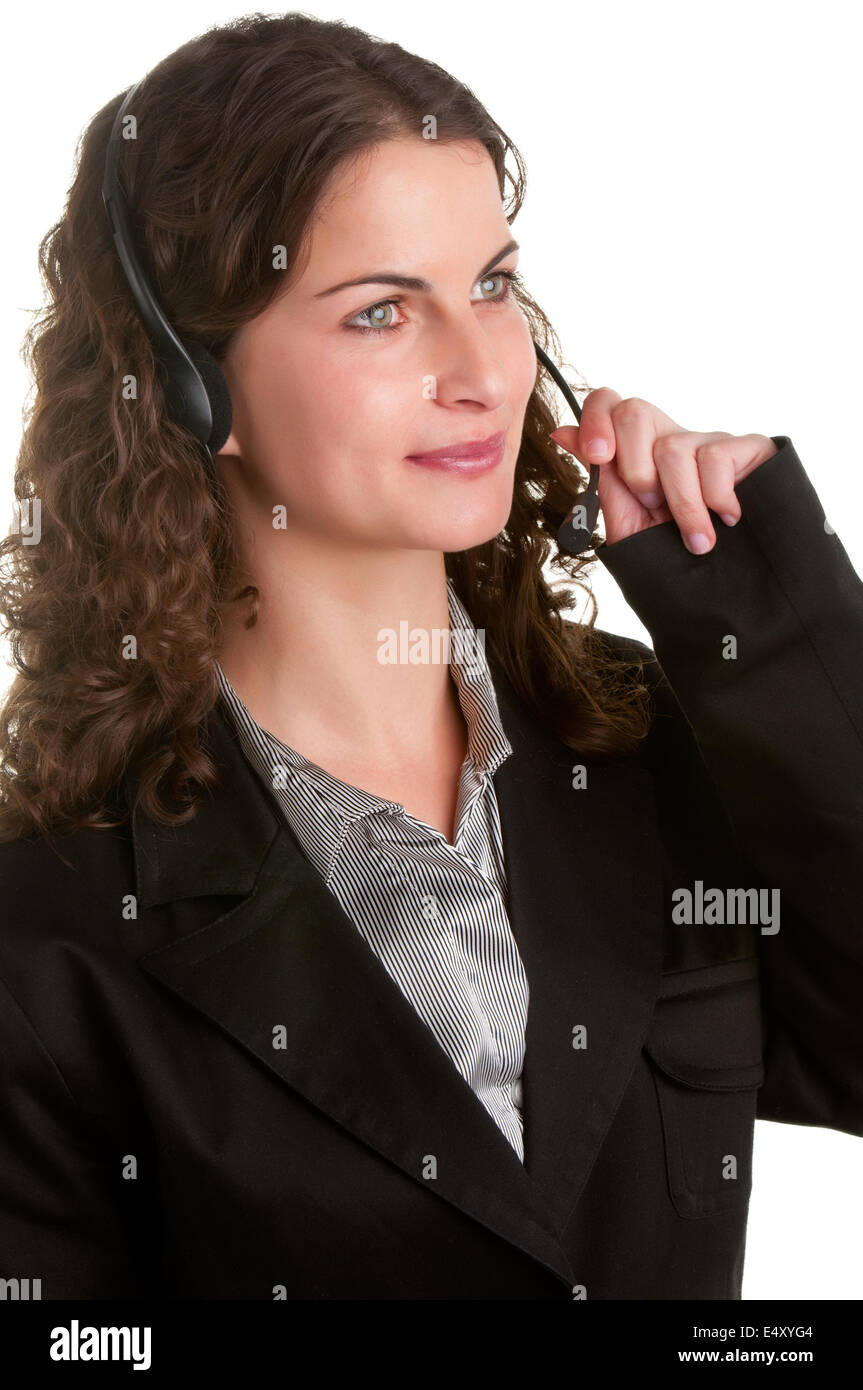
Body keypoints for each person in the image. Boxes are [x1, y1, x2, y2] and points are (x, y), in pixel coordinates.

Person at [0, 12, 861, 1302]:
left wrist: (750, 608)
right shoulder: (50, 938)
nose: (484, 372)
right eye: (381, 313)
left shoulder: (648, 756)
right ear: (191, 379)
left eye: (495, 288)